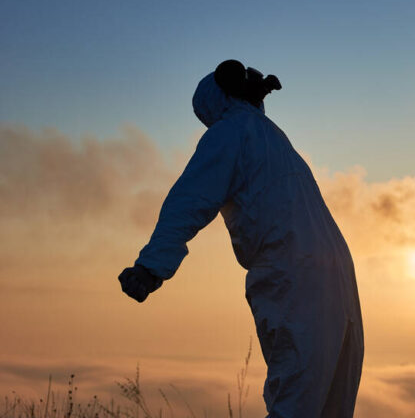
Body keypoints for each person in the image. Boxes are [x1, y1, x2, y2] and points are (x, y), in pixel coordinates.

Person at [118, 60, 364, 417]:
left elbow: (190, 200)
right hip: (338, 277)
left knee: (295, 404)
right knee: (330, 404)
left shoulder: (229, 131)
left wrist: (151, 266)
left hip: (292, 275)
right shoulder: (273, 136)